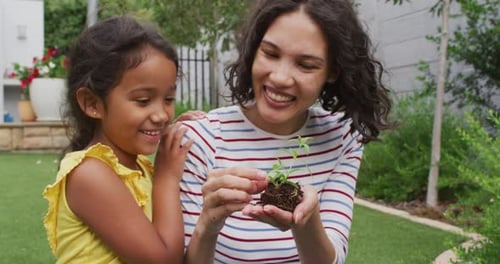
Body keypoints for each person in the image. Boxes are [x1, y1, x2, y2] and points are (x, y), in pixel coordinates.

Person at [178, 0, 393, 263]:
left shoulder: (341, 137)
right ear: (254, 50)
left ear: (333, 71)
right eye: (270, 53)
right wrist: (207, 225)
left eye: (306, 65)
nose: (280, 78)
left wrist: (306, 219)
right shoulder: (200, 138)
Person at [42, 16, 198, 263]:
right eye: (143, 101)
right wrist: (167, 177)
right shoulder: (90, 174)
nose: (161, 115)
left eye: (168, 99)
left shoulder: (139, 168)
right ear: (92, 104)